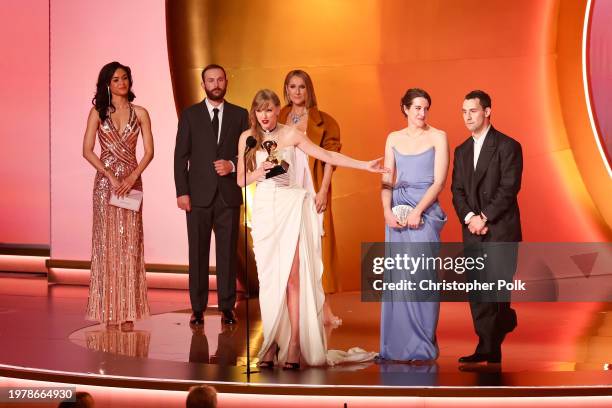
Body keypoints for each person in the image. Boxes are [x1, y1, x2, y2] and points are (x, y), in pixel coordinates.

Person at [237, 89, 384, 369]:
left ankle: (294, 343)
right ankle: (270, 342)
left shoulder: (290, 134)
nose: (265, 116)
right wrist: (258, 173)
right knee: (269, 282)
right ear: (254, 113)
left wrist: (364, 165)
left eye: (269, 110)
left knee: (292, 279)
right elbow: (240, 180)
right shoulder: (247, 139)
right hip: (266, 211)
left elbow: (326, 154)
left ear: (277, 109)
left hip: (291, 208)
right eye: (260, 111)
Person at [174, 64, 250, 326]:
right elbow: (180, 157)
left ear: (226, 81)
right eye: (210, 80)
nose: (215, 84)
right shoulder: (190, 115)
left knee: (227, 254)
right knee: (197, 253)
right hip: (197, 197)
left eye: (219, 79)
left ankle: (227, 307)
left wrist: (231, 164)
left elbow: (249, 154)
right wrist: (182, 192)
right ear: (203, 84)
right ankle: (197, 308)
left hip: (228, 195)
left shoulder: (240, 115)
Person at [451, 90, 523, 364]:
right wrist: (470, 218)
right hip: (473, 230)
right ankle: (487, 345)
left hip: (500, 229)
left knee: (497, 291)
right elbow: (456, 190)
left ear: (487, 111)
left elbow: (509, 188)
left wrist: (485, 217)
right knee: (478, 291)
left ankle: (502, 324)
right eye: (464, 111)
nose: (467, 116)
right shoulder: (461, 150)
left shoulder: (508, 146)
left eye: (473, 110)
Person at [379, 88, 449, 362]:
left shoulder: (438, 136)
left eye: (425, 108)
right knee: (399, 280)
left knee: (422, 277)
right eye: (417, 107)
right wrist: (386, 210)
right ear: (405, 108)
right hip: (397, 208)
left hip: (425, 209)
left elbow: (439, 181)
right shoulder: (393, 138)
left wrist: (419, 211)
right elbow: (387, 178)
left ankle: (422, 344)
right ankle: (397, 346)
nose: (422, 113)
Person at [83, 61, 153, 329]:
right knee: (106, 245)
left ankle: (128, 311)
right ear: (107, 85)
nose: (121, 83)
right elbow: (87, 149)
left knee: (130, 245)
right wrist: (110, 176)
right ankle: (108, 309)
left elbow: (149, 151)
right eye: (115, 79)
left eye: (124, 78)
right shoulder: (97, 113)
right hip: (106, 186)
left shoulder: (141, 113)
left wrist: (132, 177)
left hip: (132, 184)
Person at [278, 70, 342, 326]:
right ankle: (290, 307)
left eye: (301, 87)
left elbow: (331, 160)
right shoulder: (276, 115)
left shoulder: (325, 121)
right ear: (286, 90)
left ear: (309, 89)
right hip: (285, 186)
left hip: (313, 185)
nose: (297, 91)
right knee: (289, 246)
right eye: (292, 86)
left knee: (316, 245)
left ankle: (323, 306)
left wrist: (323, 190)